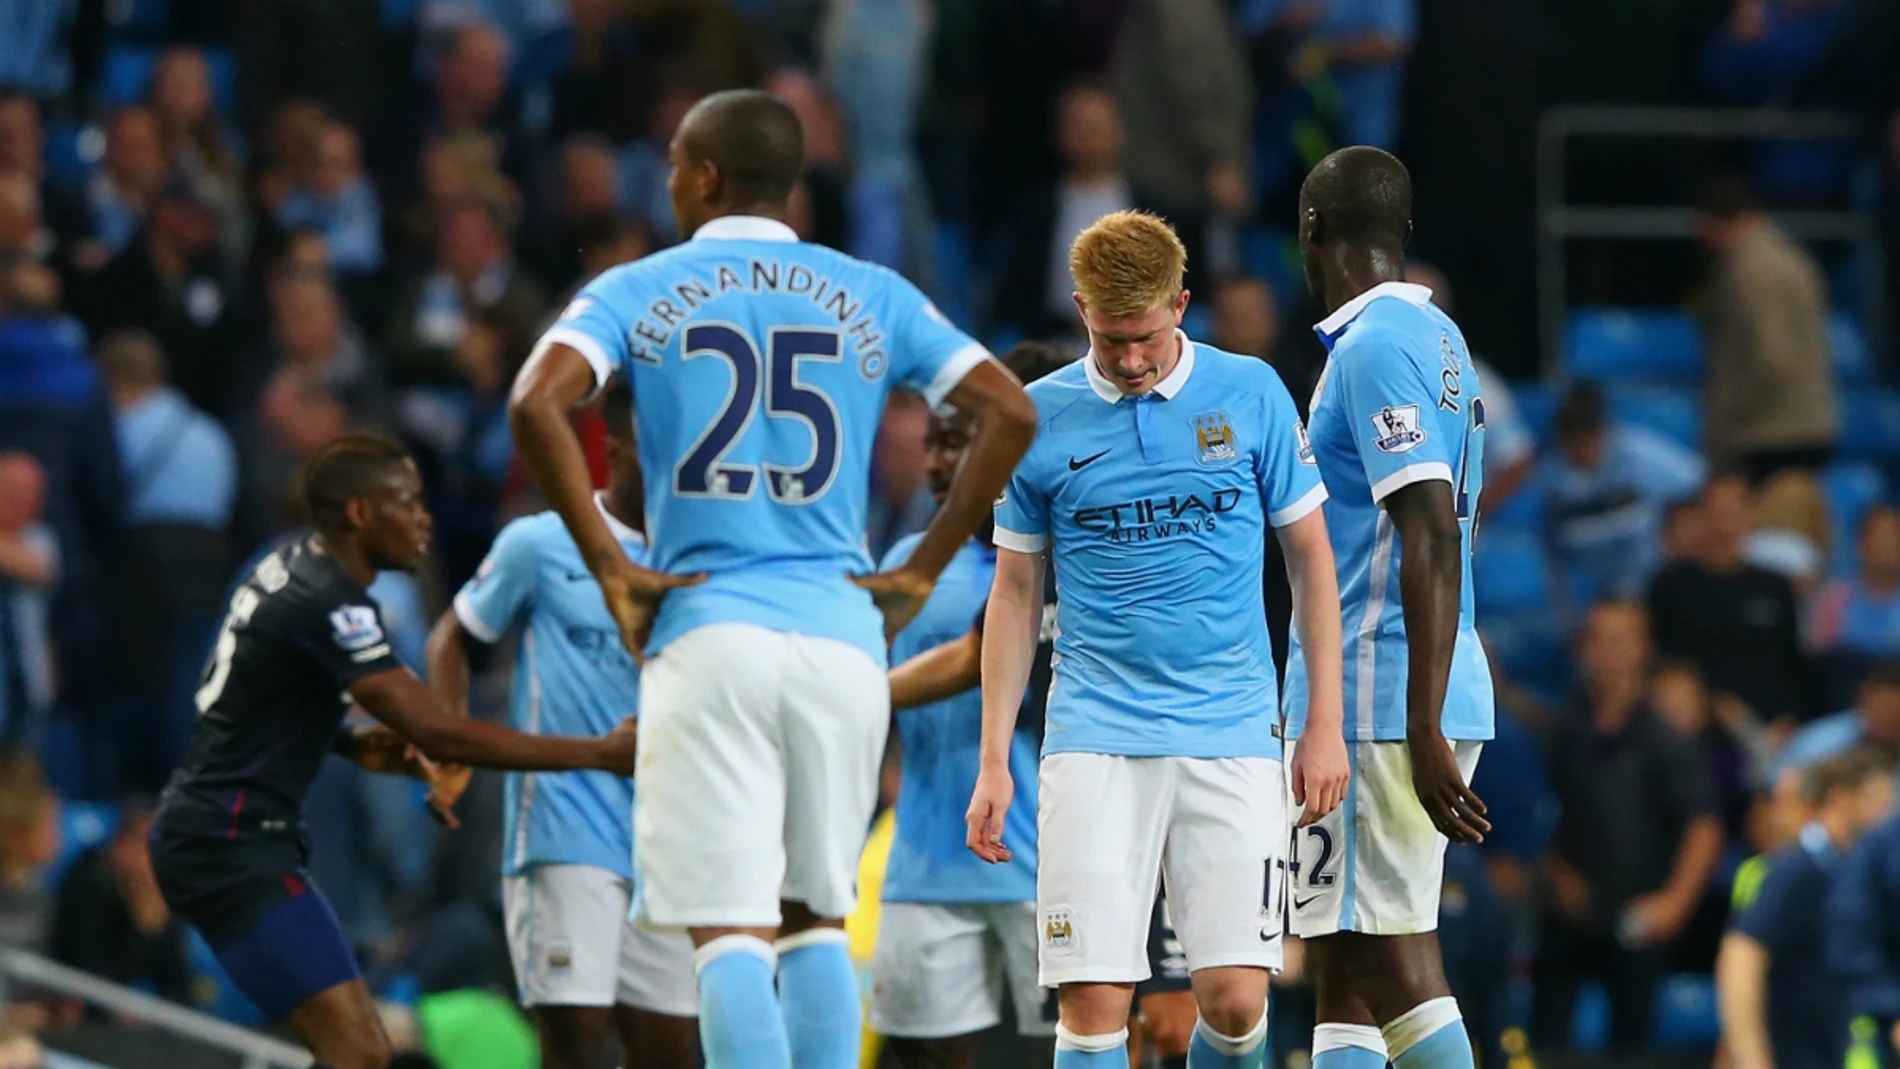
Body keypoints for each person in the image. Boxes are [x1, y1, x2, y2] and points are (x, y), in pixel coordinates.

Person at [506, 89, 1037, 1069]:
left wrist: (612, 565)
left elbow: (536, 402)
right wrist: (920, 567)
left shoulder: (638, 286)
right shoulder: (872, 289)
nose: (666, 180)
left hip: (708, 631)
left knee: (726, 930)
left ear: (704, 175)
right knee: (815, 920)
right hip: (840, 638)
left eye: (672, 162)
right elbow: (1007, 411)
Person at [966, 208, 1349, 1069]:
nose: (1131, 360)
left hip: (1234, 729)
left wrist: (1320, 720)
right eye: (1110, 342)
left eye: (1144, 337)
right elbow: (1016, 587)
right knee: (1094, 1001)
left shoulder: (1249, 392)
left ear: (1182, 302)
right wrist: (996, 755)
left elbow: (1312, 562)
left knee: (1238, 1002)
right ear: (1079, 311)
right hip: (1094, 735)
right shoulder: (1037, 417)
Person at [148, 433, 640, 1069]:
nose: (424, 520)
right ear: (358, 513)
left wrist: (352, 743)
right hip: (232, 847)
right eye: (406, 504)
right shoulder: (330, 601)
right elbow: (438, 729)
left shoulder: (284, 562)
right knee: (358, 1050)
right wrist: (596, 752)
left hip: (221, 833)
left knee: (356, 1049)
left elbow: (240, 700)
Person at [1286, 146, 1493, 1069]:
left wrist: (1421, 719)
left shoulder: (1374, 347)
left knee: (1398, 958)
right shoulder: (1441, 342)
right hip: (1393, 688)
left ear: (1311, 229)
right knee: (1344, 967)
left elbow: (1430, 532)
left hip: (1382, 693)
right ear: (1402, 235)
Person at [425, 381, 698, 1069]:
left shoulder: (706, 562)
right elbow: (452, 637)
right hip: (563, 822)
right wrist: (445, 742)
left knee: (670, 1054)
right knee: (575, 1042)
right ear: (617, 447)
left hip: (670, 835)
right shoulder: (542, 544)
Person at [872, 345, 1069, 1068]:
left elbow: (969, 660)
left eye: (958, 441)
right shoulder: (905, 564)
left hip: (1044, 862)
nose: (935, 462)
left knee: (1079, 1048)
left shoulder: (1064, 552)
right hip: (923, 861)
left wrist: (848, 696)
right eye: (933, 442)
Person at [1532, 602, 1725, 1053]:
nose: (1609, 652)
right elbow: (1535, 816)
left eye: (1622, 639)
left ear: (1644, 649)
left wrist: (1675, 903)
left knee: (1632, 1046)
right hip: (1569, 910)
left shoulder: (1666, 739)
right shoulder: (1564, 730)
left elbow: (1704, 825)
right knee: (1546, 1038)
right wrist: (1554, 875)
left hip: (1640, 913)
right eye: (1598, 639)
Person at [1720, 746, 1897, 1069]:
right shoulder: (1797, 868)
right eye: (1877, 801)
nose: (1886, 815)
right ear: (1842, 799)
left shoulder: (1855, 874)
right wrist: (1753, 1062)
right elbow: (1741, 954)